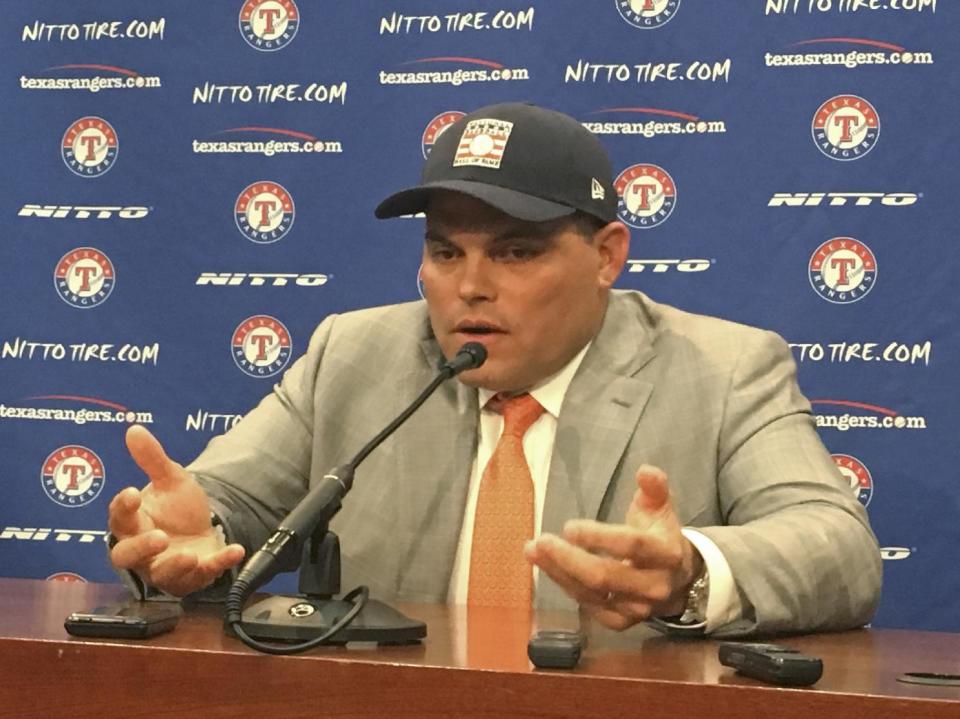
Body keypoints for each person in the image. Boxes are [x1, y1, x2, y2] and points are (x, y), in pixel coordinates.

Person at [108, 102, 881, 637]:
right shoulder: (354, 352)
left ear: (608, 254)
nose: (470, 285)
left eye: (515, 251)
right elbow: (218, 515)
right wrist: (187, 540)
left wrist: (689, 573)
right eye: (446, 251)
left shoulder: (725, 370)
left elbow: (838, 548)